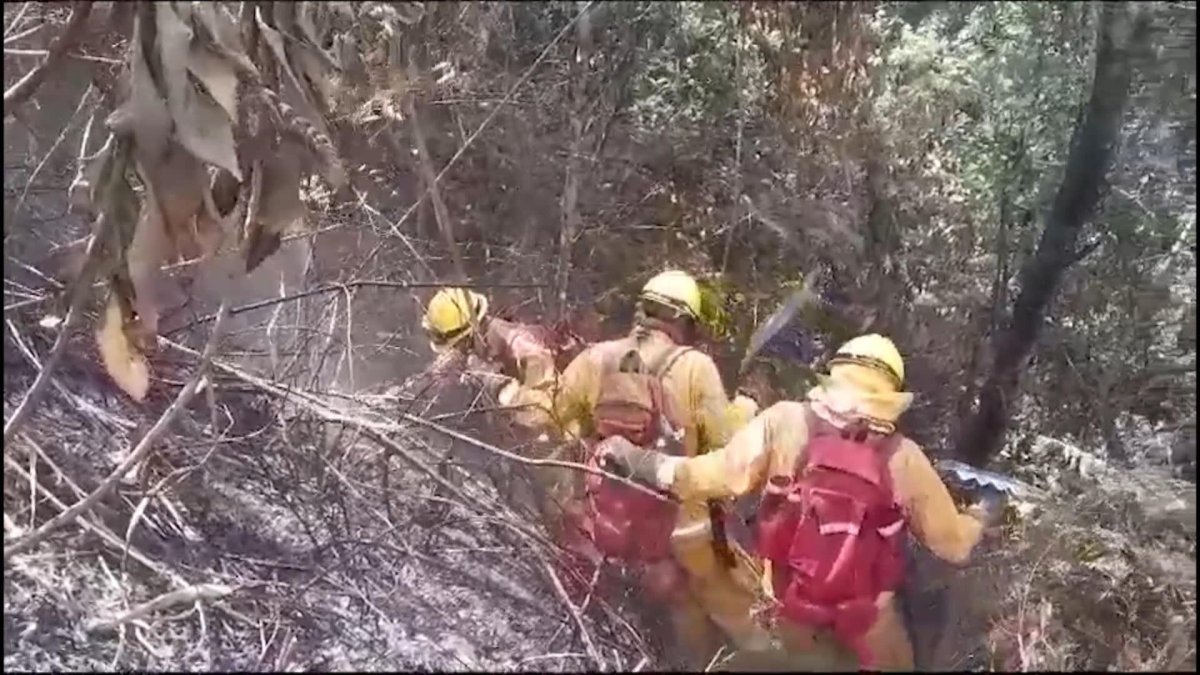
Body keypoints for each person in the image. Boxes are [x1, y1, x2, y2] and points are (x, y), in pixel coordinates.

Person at [600, 333, 1004, 671]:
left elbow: (711, 476)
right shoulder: (903, 456)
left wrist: (643, 462)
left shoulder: (785, 421)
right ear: (892, 392)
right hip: (868, 620)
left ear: (835, 372)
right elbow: (954, 546)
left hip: (788, 606)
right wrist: (982, 512)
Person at [545, 269, 767, 667]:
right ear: (684, 320)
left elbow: (554, 417)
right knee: (699, 604)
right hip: (674, 536)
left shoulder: (596, 357)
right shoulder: (696, 367)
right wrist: (746, 408)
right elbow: (726, 445)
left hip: (605, 526)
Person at [421, 287, 571, 431]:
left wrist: (498, 385)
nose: (455, 351)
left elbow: (548, 412)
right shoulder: (475, 347)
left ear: (469, 335)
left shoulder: (523, 348)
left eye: (455, 345)